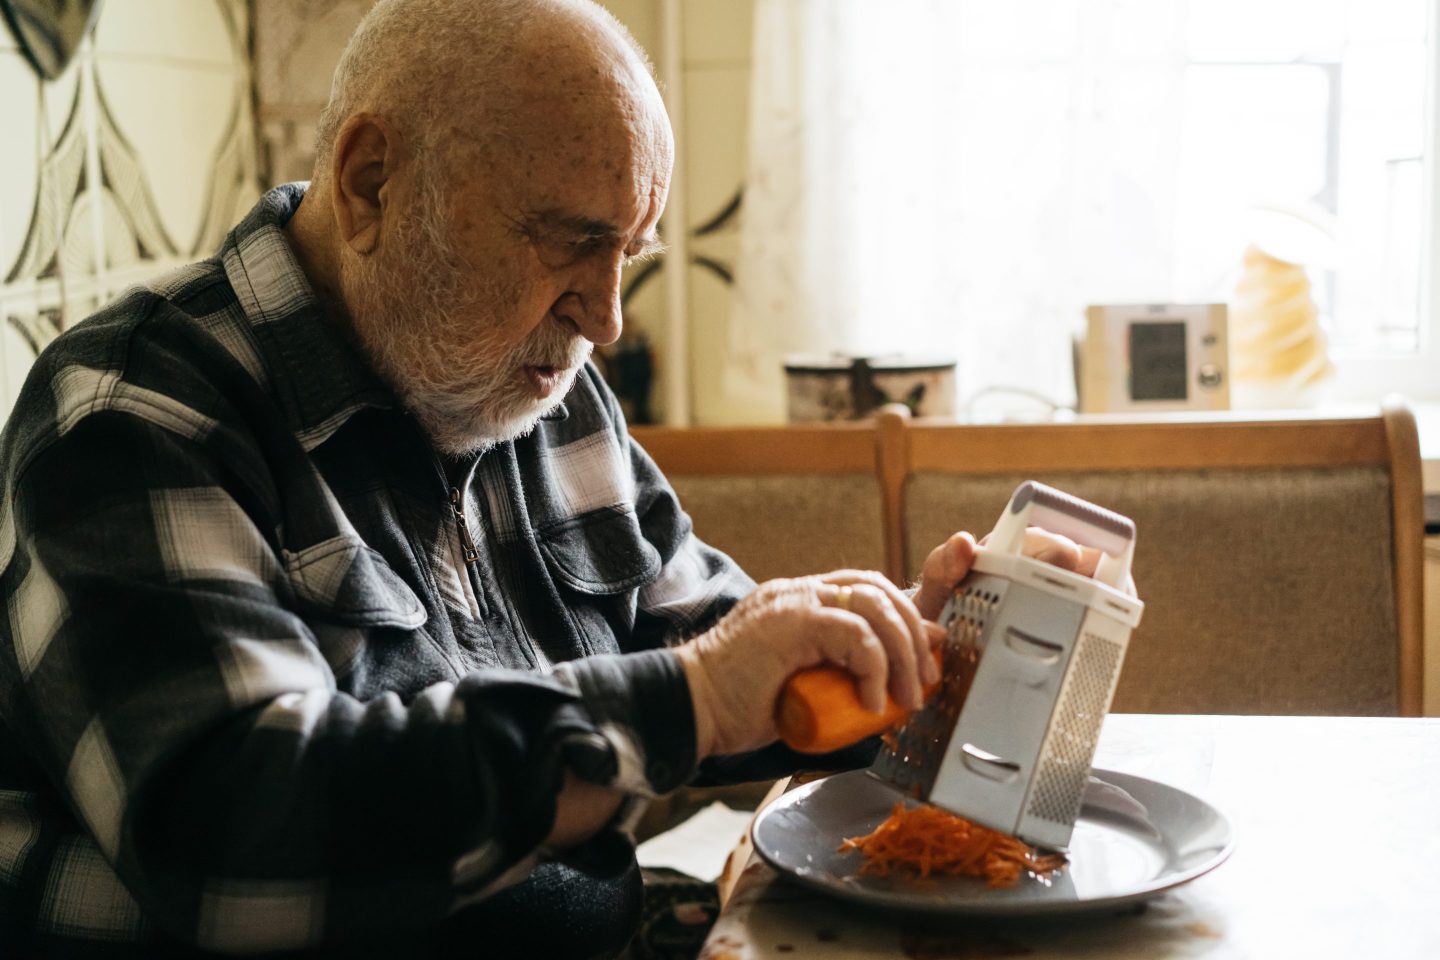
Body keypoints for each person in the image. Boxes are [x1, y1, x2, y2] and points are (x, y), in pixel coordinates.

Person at [0, 0, 1099, 956]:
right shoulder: (134, 414)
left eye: (630, 253)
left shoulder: (541, 383)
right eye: (569, 242)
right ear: (373, 180)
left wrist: (914, 654)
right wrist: (704, 693)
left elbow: (714, 647)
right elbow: (234, 838)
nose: (606, 318)